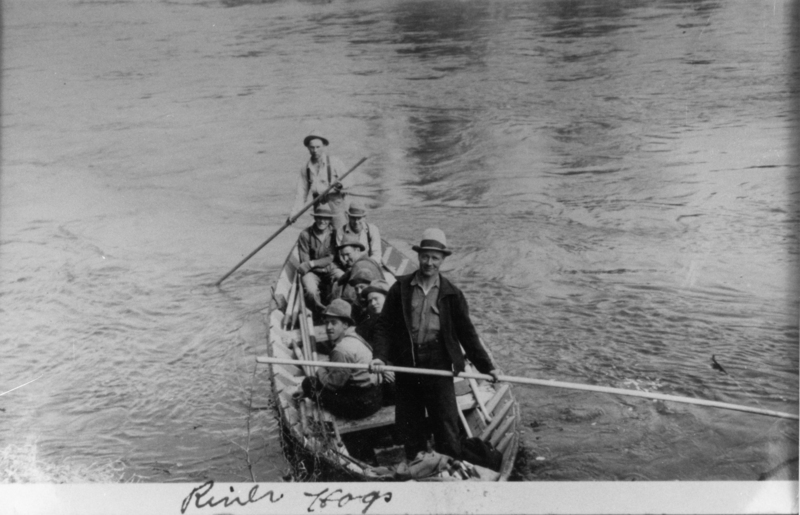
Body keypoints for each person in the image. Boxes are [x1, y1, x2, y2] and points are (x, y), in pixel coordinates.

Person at [369, 228, 500, 461]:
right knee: (410, 425)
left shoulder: (452, 294)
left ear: (443, 260)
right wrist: (379, 357)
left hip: (439, 364)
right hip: (407, 363)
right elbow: (383, 327)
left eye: (435, 258)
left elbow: (468, 335)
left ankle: (449, 465)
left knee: (446, 424)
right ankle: (417, 465)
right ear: (418, 256)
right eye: (425, 256)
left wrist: (487, 367)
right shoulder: (400, 288)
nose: (429, 262)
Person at [292, 299, 382, 419]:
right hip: (375, 397)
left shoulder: (341, 349)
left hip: (361, 406)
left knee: (309, 383)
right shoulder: (356, 336)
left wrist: (320, 368)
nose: (328, 327)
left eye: (333, 323)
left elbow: (332, 384)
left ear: (345, 325)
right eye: (327, 323)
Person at [288, 133, 348, 230]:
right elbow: (301, 193)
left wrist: (341, 185)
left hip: (335, 203)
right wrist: (294, 213)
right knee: (321, 233)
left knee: (341, 233)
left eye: (318, 147)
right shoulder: (305, 168)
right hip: (318, 204)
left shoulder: (335, 162)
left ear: (324, 146)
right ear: (307, 148)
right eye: (312, 147)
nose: (315, 150)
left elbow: (350, 180)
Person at [296, 203, 340, 312]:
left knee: (342, 278)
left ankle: (335, 308)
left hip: (329, 268)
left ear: (330, 220)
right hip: (312, 272)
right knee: (310, 290)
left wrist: (312, 264)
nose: (322, 221)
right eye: (319, 217)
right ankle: (319, 312)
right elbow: (304, 262)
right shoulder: (305, 235)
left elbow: (330, 258)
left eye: (325, 218)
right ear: (315, 218)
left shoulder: (334, 234)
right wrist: (318, 266)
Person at [331, 233, 385, 311]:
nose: (345, 259)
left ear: (357, 250)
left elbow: (349, 296)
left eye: (348, 254)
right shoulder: (371, 261)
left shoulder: (358, 266)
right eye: (343, 256)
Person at [335, 200, 382, 265]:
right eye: (353, 218)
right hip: (348, 266)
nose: (356, 222)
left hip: (368, 265)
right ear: (348, 217)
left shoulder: (373, 230)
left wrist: (362, 266)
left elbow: (376, 256)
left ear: (364, 218)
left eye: (359, 218)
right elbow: (341, 256)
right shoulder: (340, 231)